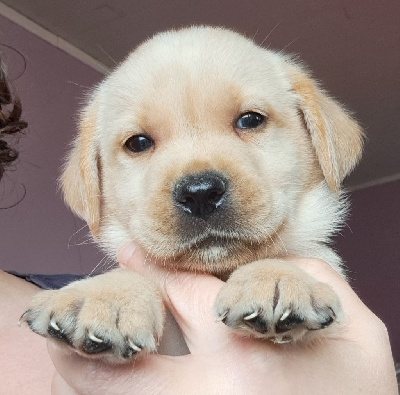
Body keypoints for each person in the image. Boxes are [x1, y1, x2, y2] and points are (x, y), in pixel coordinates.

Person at [0, 58, 398, 394]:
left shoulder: (310, 287)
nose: (199, 186)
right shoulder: (100, 305)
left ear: (316, 136)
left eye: (250, 120)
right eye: (138, 142)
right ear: (95, 183)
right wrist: (123, 293)